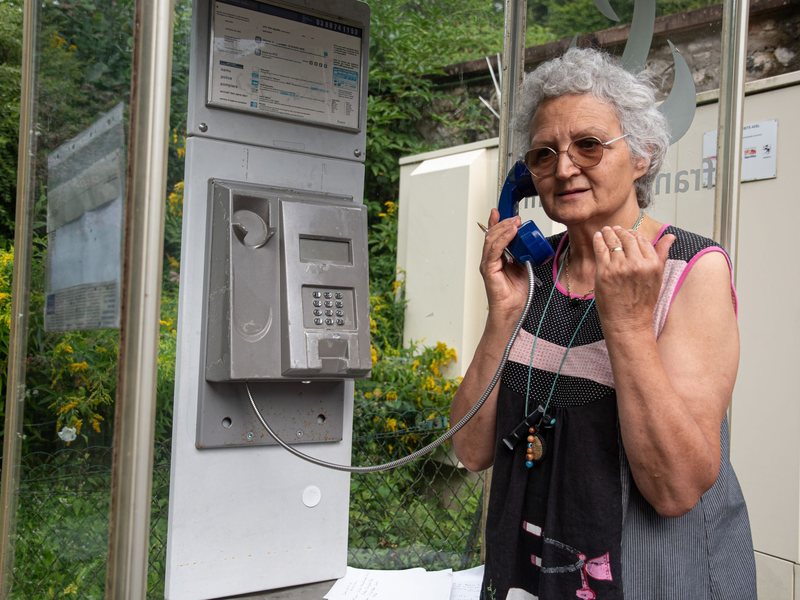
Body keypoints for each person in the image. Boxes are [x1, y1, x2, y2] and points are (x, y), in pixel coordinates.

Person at [450, 48, 756, 600]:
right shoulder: (534, 271)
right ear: (527, 177)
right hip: (530, 574)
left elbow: (675, 489)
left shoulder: (692, 270)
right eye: (544, 155)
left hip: (650, 578)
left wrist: (630, 327)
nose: (565, 168)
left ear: (641, 156)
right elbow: (471, 451)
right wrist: (502, 317)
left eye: (588, 145)